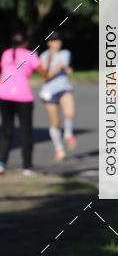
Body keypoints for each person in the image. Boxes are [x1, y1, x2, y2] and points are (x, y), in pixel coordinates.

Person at [0, 33, 43, 175]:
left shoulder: (6, 53)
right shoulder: (30, 54)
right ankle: (27, 167)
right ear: (25, 43)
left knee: (6, 131)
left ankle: (1, 164)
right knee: (26, 132)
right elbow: (43, 72)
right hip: (23, 97)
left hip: (4, 94)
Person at [38, 32, 77, 161]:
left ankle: (68, 134)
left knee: (70, 113)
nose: (57, 43)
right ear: (49, 43)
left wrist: (68, 70)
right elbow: (45, 77)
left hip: (64, 87)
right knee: (55, 122)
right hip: (49, 91)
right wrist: (55, 68)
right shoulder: (44, 56)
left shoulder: (65, 53)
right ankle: (59, 148)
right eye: (54, 41)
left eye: (59, 40)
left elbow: (65, 67)